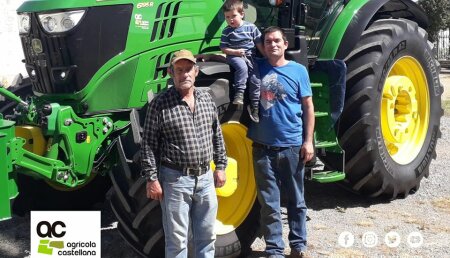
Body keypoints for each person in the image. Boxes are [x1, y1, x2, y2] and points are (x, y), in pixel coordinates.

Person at [140, 49, 228, 258]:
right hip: (175, 180)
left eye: (188, 69)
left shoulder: (207, 99)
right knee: (177, 240)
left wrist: (221, 166)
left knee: (207, 237)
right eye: (179, 70)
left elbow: (217, 135)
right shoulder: (160, 104)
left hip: (206, 178)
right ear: (171, 73)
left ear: (196, 72)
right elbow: (148, 144)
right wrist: (152, 179)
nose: (184, 74)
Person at [247, 26, 315, 258]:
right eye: (268, 42)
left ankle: (298, 245)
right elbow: (235, 55)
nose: (272, 44)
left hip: (292, 147)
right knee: (269, 204)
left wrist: (308, 142)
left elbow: (308, 108)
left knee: (296, 200)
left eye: (277, 41)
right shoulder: (257, 68)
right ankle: (274, 249)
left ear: (285, 44)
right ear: (263, 46)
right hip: (263, 149)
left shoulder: (298, 71)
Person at [220, 0, 265, 123]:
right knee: (242, 68)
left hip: (250, 57)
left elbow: (259, 43)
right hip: (234, 56)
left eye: (233, 16)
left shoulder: (251, 27)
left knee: (256, 80)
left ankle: (255, 106)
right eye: (227, 17)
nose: (230, 20)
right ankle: (239, 93)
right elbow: (224, 48)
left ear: (242, 14)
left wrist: (266, 56)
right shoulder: (226, 31)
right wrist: (235, 52)